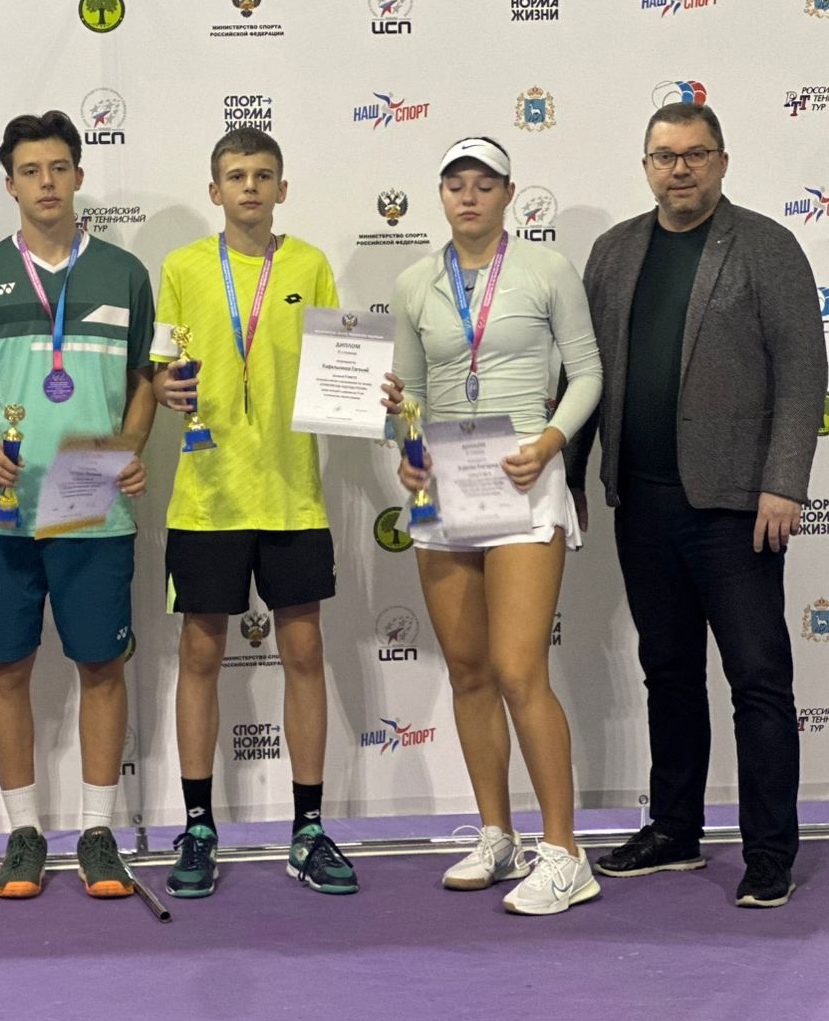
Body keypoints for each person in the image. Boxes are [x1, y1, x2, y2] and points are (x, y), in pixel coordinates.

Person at [565, 103, 826, 908]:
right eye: (664, 156)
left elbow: (803, 371)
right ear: (646, 166)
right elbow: (585, 373)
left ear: (721, 161)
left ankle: (770, 852)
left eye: (695, 154)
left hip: (736, 506)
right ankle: (675, 830)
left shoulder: (766, 246)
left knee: (758, 681)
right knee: (668, 673)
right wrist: (568, 478)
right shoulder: (615, 251)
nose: (679, 169)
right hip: (641, 501)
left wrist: (784, 481)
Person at [0, 109, 156, 901]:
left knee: (100, 664)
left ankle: (98, 832)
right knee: (6, 667)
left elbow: (144, 378)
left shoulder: (123, 274)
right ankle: (23, 832)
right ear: (10, 185)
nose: (47, 183)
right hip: (3, 507)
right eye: (31, 171)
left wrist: (128, 445)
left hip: (92, 499)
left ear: (79, 176)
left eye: (59, 168)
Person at [391, 136, 603, 915]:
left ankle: (566, 854)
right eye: (456, 184)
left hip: (524, 478)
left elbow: (588, 373)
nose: (469, 196)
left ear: (509, 194)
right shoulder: (415, 282)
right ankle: (497, 834)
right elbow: (409, 392)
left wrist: (550, 443)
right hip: (446, 487)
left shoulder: (547, 269)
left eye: (485, 184)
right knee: (470, 671)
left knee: (519, 671)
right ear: (441, 195)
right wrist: (407, 451)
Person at [149, 128, 355, 899]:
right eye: (235, 176)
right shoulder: (182, 268)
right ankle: (199, 826)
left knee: (304, 655)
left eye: (263, 175)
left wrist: (368, 390)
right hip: (207, 498)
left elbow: (342, 365)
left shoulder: (310, 265)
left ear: (281, 189)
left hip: (292, 494)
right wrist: (165, 387)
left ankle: (309, 829)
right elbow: (164, 366)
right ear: (215, 191)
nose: (249, 188)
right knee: (200, 658)